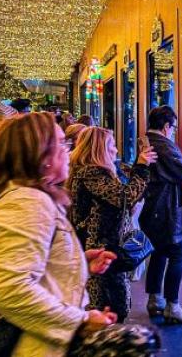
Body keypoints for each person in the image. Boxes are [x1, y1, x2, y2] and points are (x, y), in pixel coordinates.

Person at [0, 113, 118, 356]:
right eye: (61, 143)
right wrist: (80, 321)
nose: (69, 150)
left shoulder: (27, 197)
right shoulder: (27, 201)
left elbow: (34, 265)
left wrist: (78, 261)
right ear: (41, 155)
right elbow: (10, 288)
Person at [67, 127, 157, 322]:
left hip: (104, 249)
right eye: (112, 146)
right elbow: (123, 196)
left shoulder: (95, 172)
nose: (116, 150)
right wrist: (141, 167)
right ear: (99, 149)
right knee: (106, 307)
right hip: (100, 251)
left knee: (112, 305)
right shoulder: (92, 173)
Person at [140, 106, 182, 323]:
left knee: (160, 251)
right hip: (168, 210)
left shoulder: (146, 141)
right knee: (179, 253)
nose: (173, 131)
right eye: (173, 127)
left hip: (153, 208)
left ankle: (155, 299)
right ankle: (172, 306)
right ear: (166, 126)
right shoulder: (165, 146)